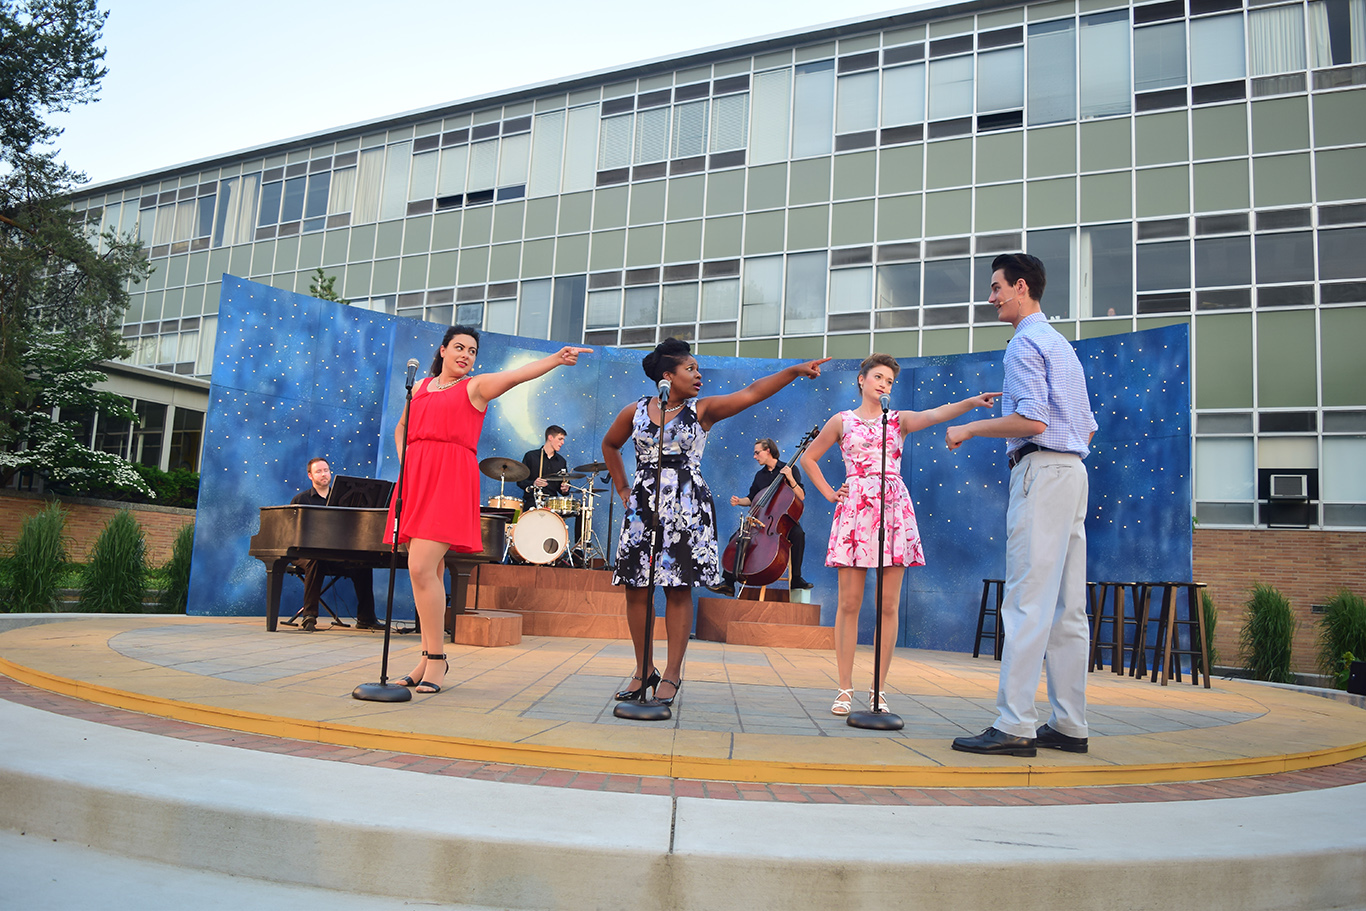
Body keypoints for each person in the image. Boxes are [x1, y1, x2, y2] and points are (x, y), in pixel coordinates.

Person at [602, 338, 829, 707]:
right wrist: (624, 488)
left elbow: (752, 393)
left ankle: (672, 673)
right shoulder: (636, 410)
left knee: (677, 589)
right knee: (636, 588)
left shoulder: (702, 410)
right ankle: (643, 671)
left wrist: (793, 371)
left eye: (697, 368)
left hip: (686, 507)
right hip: (644, 508)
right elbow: (610, 445)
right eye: (690, 369)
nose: (698, 374)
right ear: (667, 376)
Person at [946, 253, 1097, 757]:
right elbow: (1087, 427)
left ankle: (1014, 724)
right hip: (1073, 472)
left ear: (1021, 288)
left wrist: (969, 428)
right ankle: (1070, 724)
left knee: (1027, 600)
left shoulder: (1024, 345)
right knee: (1068, 607)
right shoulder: (1061, 346)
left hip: (1041, 471)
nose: (991, 297)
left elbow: (1032, 421)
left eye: (996, 287)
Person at [389, 328, 589, 694]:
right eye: (459, 347)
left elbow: (516, 375)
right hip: (416, 480)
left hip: (449, 480)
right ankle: (426, 658)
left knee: (420, 568)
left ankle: (437, 659)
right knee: (426, 571)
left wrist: (556, 359)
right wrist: (408, 464)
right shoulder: (419, 387)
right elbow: (401, 428)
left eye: (472, 351)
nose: (465, 355)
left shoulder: (475, 387)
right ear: (443, 350)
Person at [800, 355, 999, 716]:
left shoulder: (898, 420)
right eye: (878, 377)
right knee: (849, 603)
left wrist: (971, 402)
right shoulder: (842, 421)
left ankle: (878, 688)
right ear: (861, 380)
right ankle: (844, 687)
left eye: (889, 381)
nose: (883, 385)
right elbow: (808, 458)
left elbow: (936, 414)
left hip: (893, 510)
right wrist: (830, 492)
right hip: (856, 509)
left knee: (889, 605)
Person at [289, 457, 383, 632]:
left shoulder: (343, 499)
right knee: (315, 560)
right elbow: (292, 532)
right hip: (305, 555)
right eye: (318, 471)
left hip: (334, 555)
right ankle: (309, 616)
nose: (323, 474)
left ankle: (366, 618)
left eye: (326, 470)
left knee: (363, 565)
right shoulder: (301, 499)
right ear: (310, 476)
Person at [711, 438, 812, 596]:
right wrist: (739, 501)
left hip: (783, 521)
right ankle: (729, 583)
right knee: (738, 537)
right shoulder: (760, 475)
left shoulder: (790, 469)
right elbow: (752, 499)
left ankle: (796, 579)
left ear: (768, 451)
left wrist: (790, 478)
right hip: (762, 520)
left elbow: (801, 496)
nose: (755, 456)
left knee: (798, 534)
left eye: (757, 453)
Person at [517, 425, 571, 510]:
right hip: (533, 503)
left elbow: (563, 486)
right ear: (550, 437)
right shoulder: (531, 456)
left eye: (563, 440)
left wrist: (565, 489)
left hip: (552, 505)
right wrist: (534, 483)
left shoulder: (561, 461)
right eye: (560, 439)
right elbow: (520, 481)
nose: (563, 442)